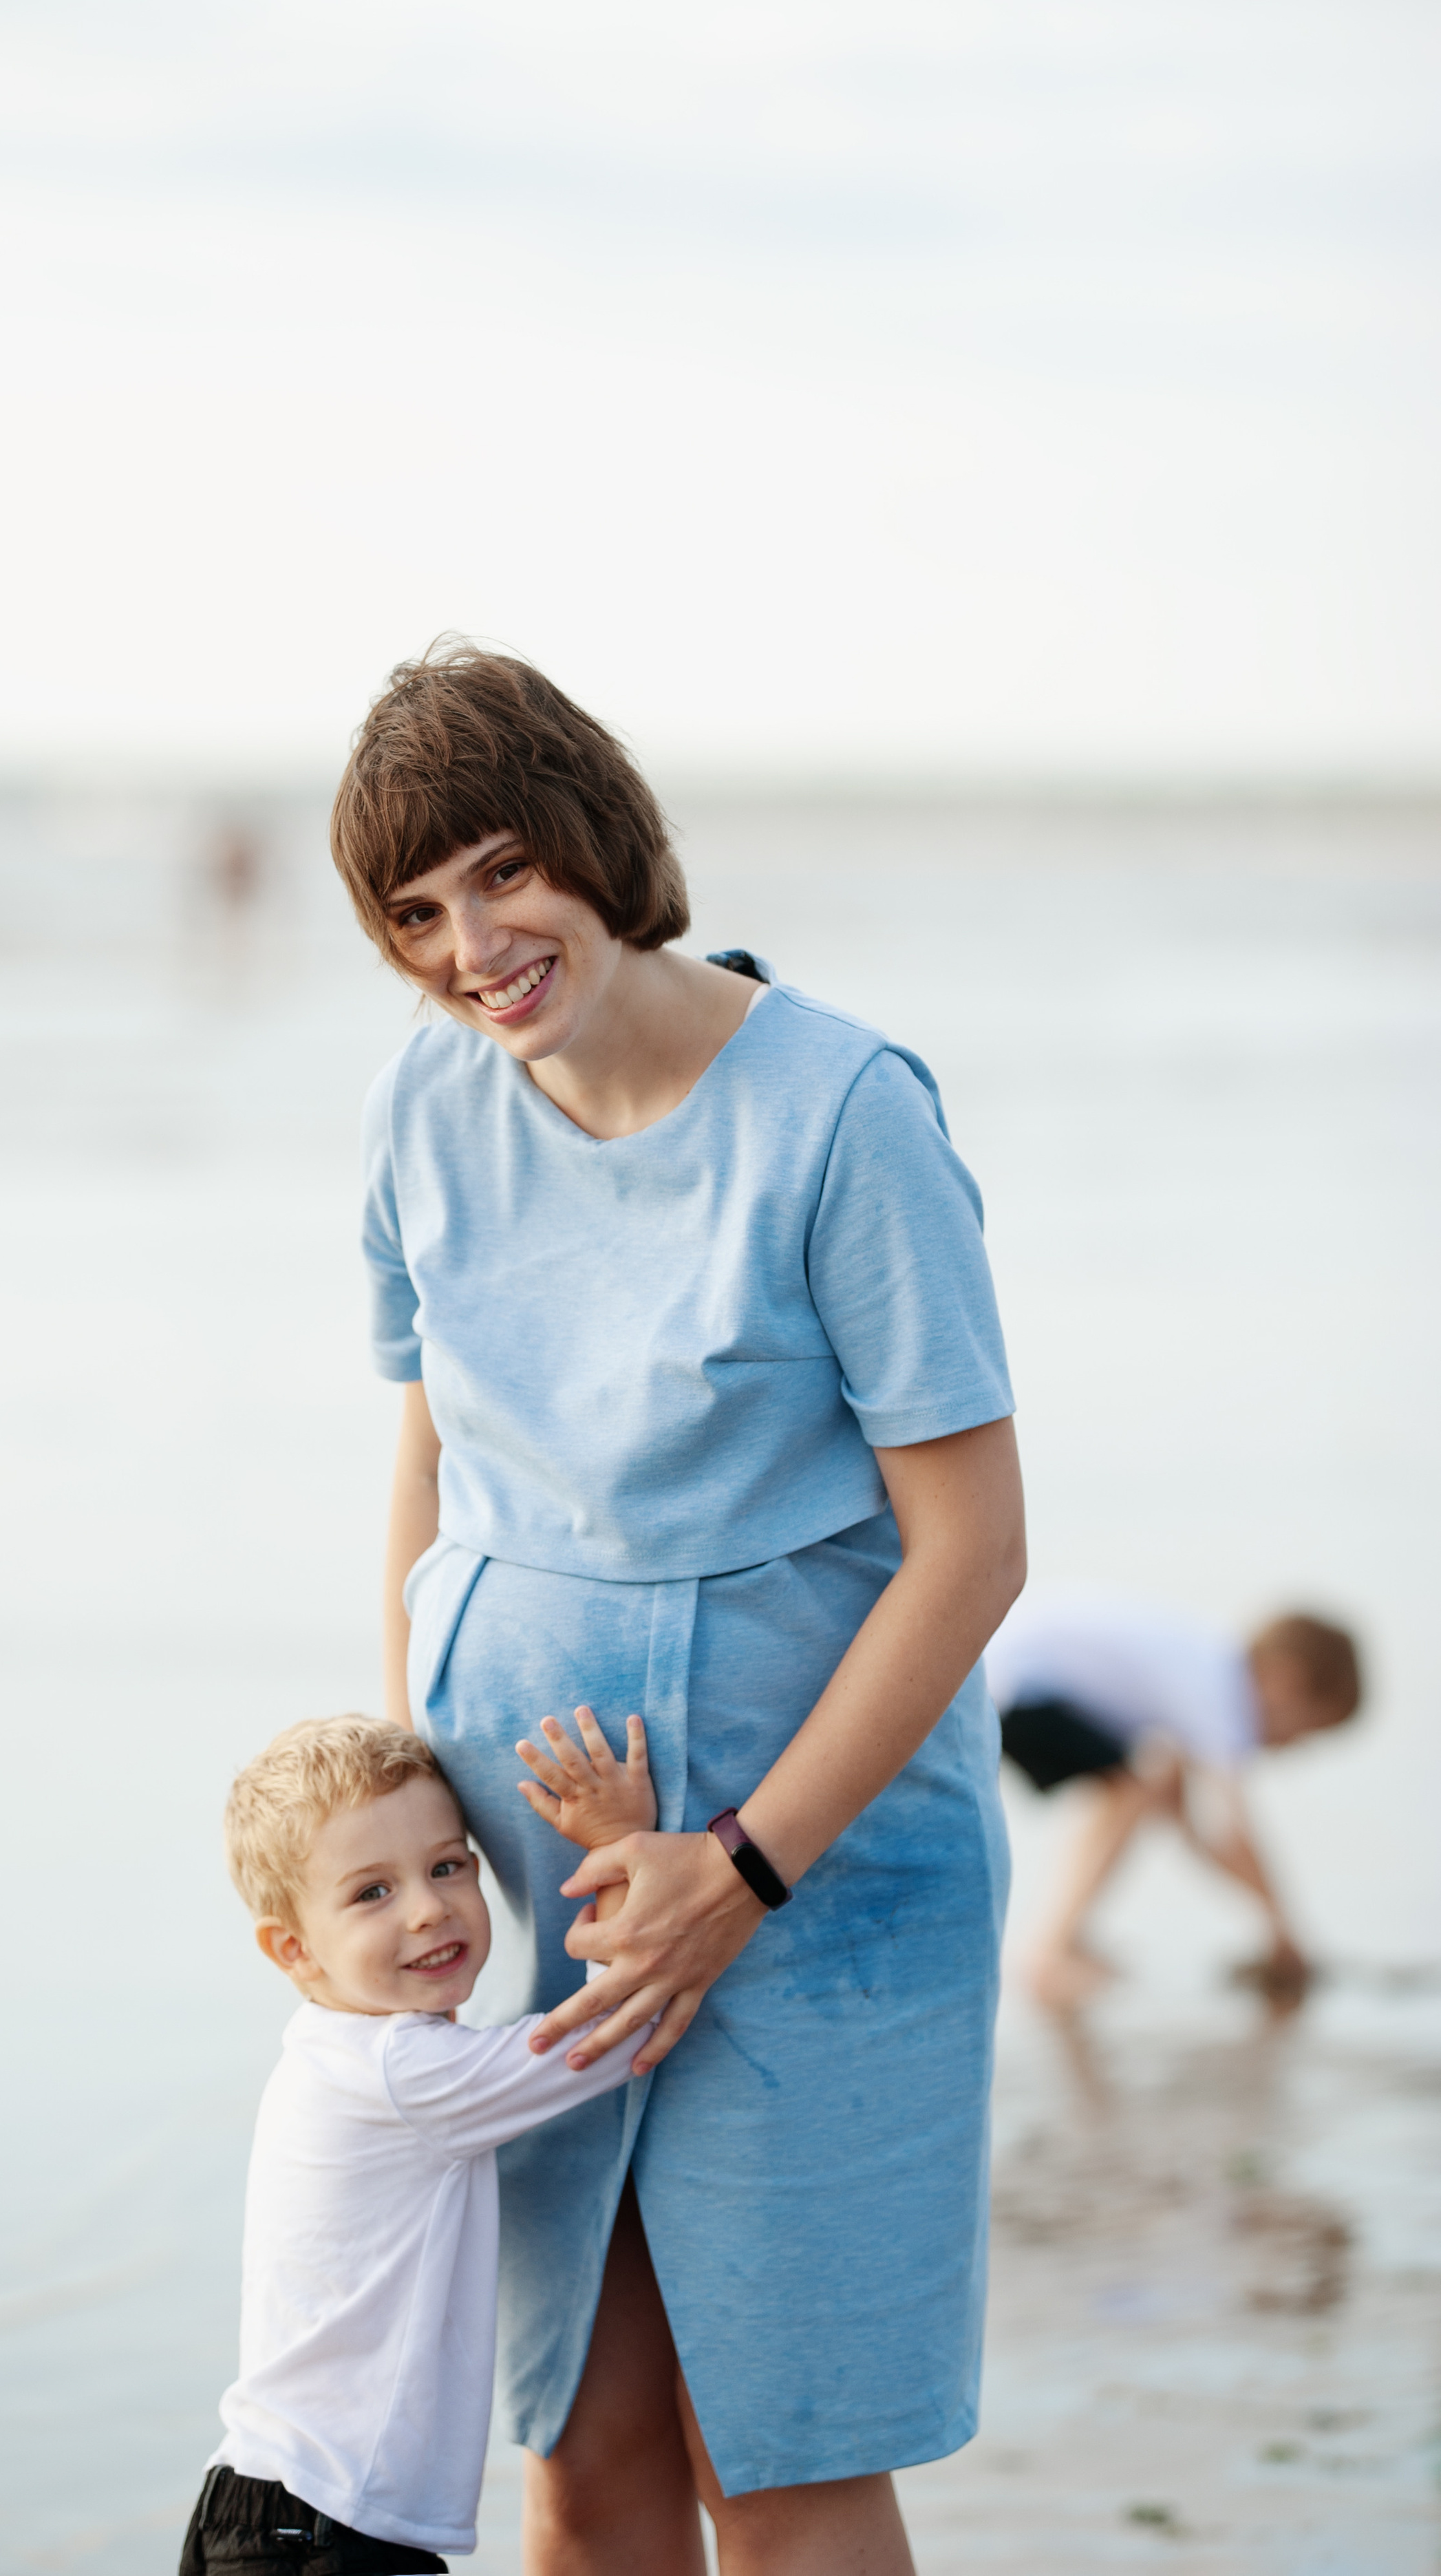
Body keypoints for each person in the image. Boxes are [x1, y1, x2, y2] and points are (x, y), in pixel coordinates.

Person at [330, 643, 1028, 2576]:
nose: (472, 943)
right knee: (581, 2439)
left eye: (497, 871)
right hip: (544, 1878)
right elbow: (427, 1462)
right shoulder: (421, 1104)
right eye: (415, 911)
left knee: (782, 2458)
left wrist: (742, 1860)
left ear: (593, 838)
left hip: (819, 1880)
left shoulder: (845, 1110)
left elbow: (973, 1546)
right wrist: (417, 1819)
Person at [180, 1707, 657, 2575]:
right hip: (329, 2528)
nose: (429, 1910)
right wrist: (622, 1847)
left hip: (261, 2506)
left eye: (447, 1866)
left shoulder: (331, 2055)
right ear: (293, 1949)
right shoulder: (406, 2071)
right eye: (372, 1891)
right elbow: (617, 2024)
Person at [988, 1586, 1363, 2006]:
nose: (1292, 1746)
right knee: (1132, 1789)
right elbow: (1234, 1833)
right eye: (1304, 1730)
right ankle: (1051, 1952)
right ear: (1283, 1680)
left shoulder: (1206, 1666)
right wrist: (1282, 1928)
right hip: (1017, 1683)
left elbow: (1194, 1827)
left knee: (1146, 1785)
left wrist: (1268, 1921)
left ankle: (1063, 1941)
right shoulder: (1218, 1695)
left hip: (1007, 1669)